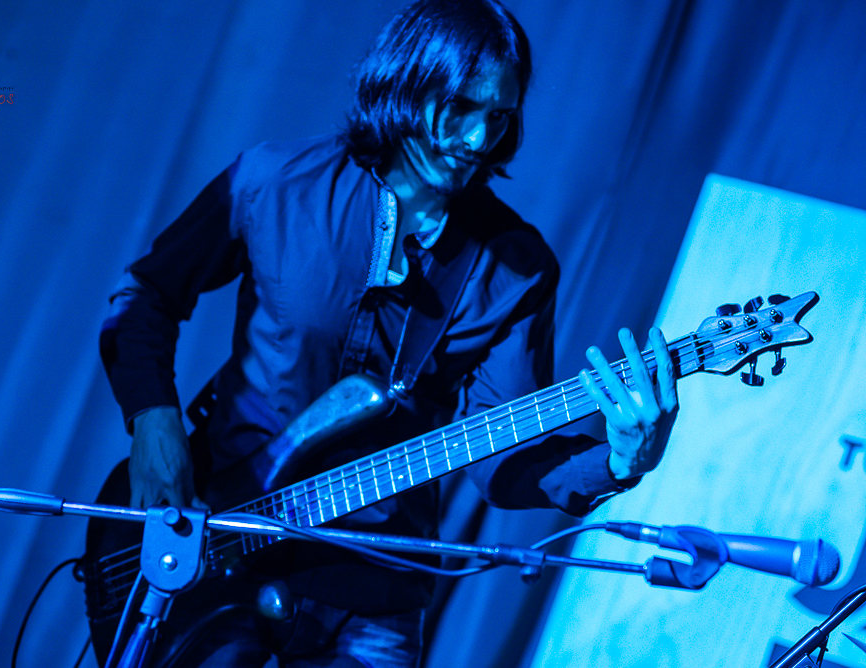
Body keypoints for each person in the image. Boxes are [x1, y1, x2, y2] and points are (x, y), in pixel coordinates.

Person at [99, 0, 679, 665]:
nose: (476, 139)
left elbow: (501, 464)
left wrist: (619, 462)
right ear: (405, 82)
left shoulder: (517, 269)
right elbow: (146, 295)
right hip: (221, 539)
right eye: (459, 107)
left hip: (374, 597)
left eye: (498, 117)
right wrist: (153, 421)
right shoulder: (274, 183)